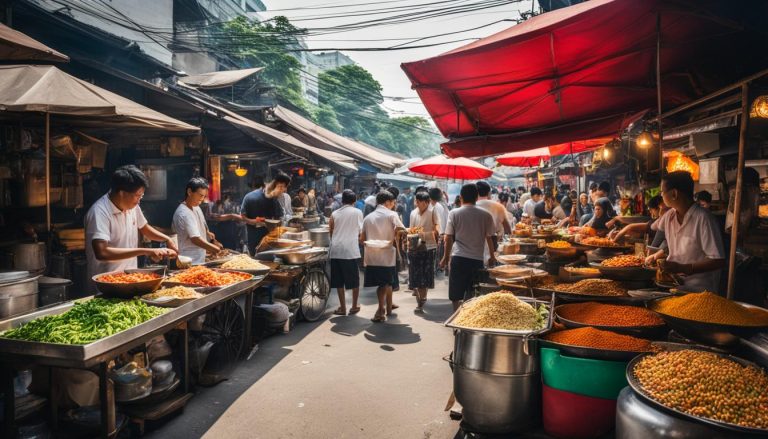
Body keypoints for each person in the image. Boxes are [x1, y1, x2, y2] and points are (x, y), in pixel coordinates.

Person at [85, 165, 178, 282]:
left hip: (128, 278)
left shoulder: (132, 207)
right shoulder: (99, 212)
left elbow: (145, 228)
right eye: (137, 195)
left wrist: (166, 239)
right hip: (105, 282)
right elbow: (102, 252)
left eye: (141, 196)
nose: (139, 200)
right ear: (122, 193)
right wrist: (146, 251)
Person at [646, 171, 726, 292]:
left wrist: (683, 268)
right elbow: (649, 228)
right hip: (674, 287)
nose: (661, 195)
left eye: (662, 192)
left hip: (700, 292)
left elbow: (718, 261)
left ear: (674, 194)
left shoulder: (704, 219)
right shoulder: (669, 216)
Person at [440, 184, 497, 311]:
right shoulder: (486, 215)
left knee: (456, 294)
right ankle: (468, 317)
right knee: (473, 292)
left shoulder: (454, 213)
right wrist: (492, 257)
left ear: (460, 197)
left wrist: (445, 257)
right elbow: (489, 238)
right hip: (477, 260)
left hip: (458, 258)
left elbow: (448, 238)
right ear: (477, 197)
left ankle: (456, 318)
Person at [361, 191, 405, 322]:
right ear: (387, 202)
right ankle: (380, 310)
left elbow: (362, 239)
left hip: (371, 256)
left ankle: (384, 309)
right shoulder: (392, 215)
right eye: (393, 203)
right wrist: (397, 235)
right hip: (387, 256)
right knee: (384, 284)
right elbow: (402, 230)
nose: (393, 205)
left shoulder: (368, 218)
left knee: (383, 284)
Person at [173, 177, 223, 265]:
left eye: (204, 196)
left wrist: (209, 235)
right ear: (189, 192)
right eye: (200, 195)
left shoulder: (196, 207)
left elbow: (202, 226)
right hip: (188, 261)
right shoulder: (184, 213)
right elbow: (195, 239)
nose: (202, 199)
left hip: (199, 259)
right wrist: (214, 248)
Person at [329, 189, 363, 316]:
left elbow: (331, 231)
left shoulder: (334, 213)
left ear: (342, 201)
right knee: (354, 280)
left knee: (339, 281)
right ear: (354, 201)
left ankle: (342, 308)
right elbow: (361, 232)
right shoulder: (358, 212)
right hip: (350, 250)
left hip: (336, 250)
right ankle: (354, 306)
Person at [241, 173, 291, 254]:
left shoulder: (275, 199)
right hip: (254, 238)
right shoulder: (249, 197)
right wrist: (253, 221)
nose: (281, 190)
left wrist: (276, 226)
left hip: (270, 240)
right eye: (280, 187)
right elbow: (243, 217)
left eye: (283, 188)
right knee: (255, 260)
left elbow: (279, 218)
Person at [408, 192, 440, 312]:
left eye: (420, 202)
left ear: (427, 202)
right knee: (415, 273)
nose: (418, 204)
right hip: (415, 246)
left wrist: (432, 232)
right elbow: (411, 230)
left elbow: (437, 228)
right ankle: (420, 297)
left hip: (428, 246)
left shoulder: (433, 212)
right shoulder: (413, 213)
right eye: (417, 201)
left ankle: (422, 298)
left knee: (425, 273)